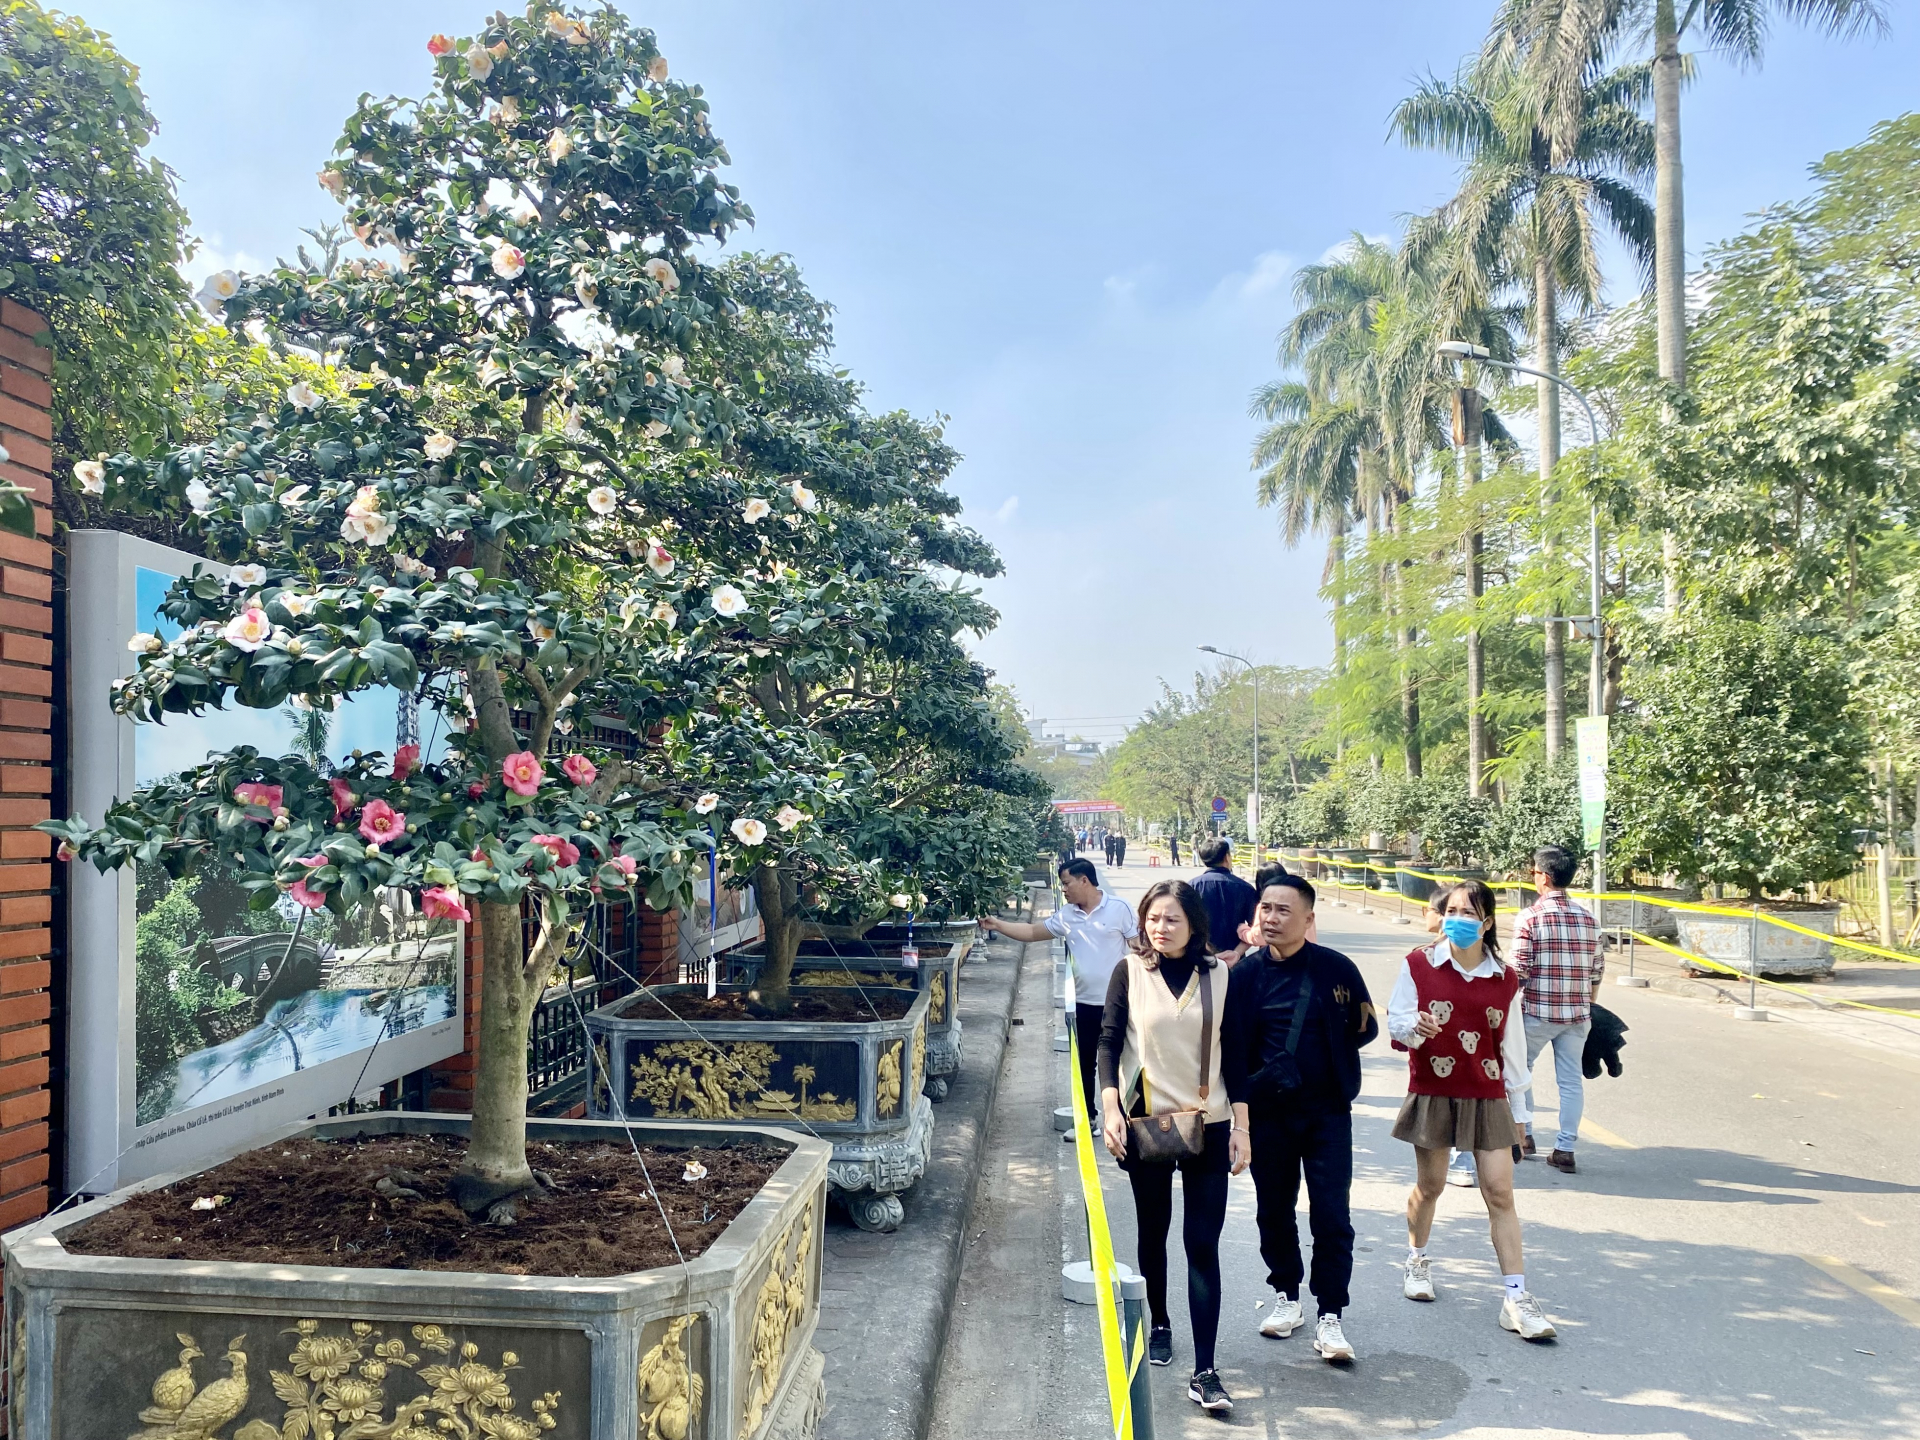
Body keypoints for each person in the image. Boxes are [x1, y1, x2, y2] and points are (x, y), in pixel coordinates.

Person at [1097, 880, 1250, 1415]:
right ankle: (1158, 1322)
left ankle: (1205, 1370)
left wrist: (1242, 1126)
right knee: (1153, 1229)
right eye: (1153, 918)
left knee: (1202, 1244)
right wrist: (1110, 1107)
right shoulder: (1129, 971)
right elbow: (1108, 1041)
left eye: (1172, 919)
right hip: (1147, 1122)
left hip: (1209, 1122)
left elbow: (1236, 1051)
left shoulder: (1219, 975)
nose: (1160, 928)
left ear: (1194, 925)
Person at [1388, 879, 1557, 1341]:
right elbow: (1397, 1023)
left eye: (1468, 913)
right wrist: (1416, 1027)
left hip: (1488, 1094)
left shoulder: (1505, 979)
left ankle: (1516, 1298)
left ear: (1486, 924)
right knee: (1431, 1185)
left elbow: (1512, 1048)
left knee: (1500, 1193)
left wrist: (1521, 1115)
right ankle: (1417, 1259)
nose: (1457, 920)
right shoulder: (1419, 964)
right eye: (1451, 912)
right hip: (1434, 1091)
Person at [1231, 874, 1377, 1364]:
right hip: (1268, 1116)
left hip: (1327, 1115)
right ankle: (1287, 1295)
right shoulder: (1245, 976)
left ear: (1308, 919)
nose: (1270, 918)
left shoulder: (1337, 969)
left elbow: (1365, 1027)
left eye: (1283, 910)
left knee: (1332, 1214)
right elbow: (1233, 1049)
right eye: (1265, 909)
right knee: (1274, 1209)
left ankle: (1330, 1312)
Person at [981, 858, 1137, 1130]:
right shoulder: (1067, 915)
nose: (1063, 889)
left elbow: (1138, 946)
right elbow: (1032, 932)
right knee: (1084, 1064)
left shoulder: (1119, 909)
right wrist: (998, 925)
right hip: (1083, 1005)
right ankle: (1088, 1119)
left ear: (1084, 880)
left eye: (1066, 883)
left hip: (1119, 1004)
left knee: (1123, 1062)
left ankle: (1126, 1120)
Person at [1512, 846, 1603, 1174]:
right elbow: (1596, 971)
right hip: (1577, 1015)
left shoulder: (1530, 917)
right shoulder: (1589, 919)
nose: (1533, 877)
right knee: (1570, 1081)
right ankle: (1565, 1148)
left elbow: (1519, 969)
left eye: (1534, 872)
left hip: (1536, 1012)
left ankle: (1526, 1136)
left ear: (1545, 877)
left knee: (1520, 1072)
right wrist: (1588, 1005)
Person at [1190, 839, 1258, 963]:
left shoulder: (1192, 887)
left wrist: (1208, 952)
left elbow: (1186, 926)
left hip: (1201, 959)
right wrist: (1236, 953)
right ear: (1227, 857)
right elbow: (1256, 927)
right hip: (1236, 961)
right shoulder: (1245, 888)